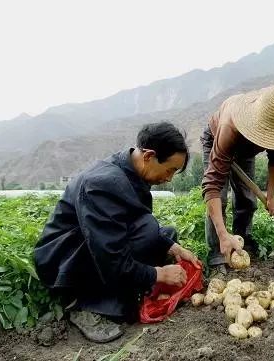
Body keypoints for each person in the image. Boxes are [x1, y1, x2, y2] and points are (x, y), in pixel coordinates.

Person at [34, 122, 201, 343]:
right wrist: (158, 274)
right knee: (145, 246)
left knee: (164, 235)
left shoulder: (132, 172)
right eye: (169, 169)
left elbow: (136, 221)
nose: (169, 178)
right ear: (149, 156)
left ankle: (131, 286)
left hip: (101, 244)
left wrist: (173, 247)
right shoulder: (102, 183)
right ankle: (86, 306)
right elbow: (110, 255)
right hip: (65, 259)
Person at [201, 84, 274, 273]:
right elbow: (212, 184)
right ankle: (218, 253)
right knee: (219, 198)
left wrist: (271, 196)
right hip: (217, 140)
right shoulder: (230, 124)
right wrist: (222, 234)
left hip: (246, 150)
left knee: (247, 199)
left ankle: (243, 242)